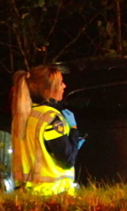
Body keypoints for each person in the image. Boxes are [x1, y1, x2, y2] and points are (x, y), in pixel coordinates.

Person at [10, 65, 83, 196]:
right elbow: (67, 160)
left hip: (25, 192)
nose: (64, 86)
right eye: (60, 83)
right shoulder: (51, 118)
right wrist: (74, 130)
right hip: (53, 192)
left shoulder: (24, 115)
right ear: (50, 90)